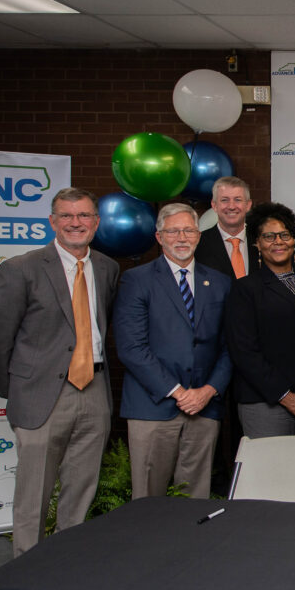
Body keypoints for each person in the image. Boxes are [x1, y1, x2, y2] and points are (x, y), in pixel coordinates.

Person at [0, 188, 118, 557]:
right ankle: (26, 564)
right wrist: (16, 389)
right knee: (33, 492)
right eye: (67, 216)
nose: (76, 223)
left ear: (96, 222)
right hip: (41, 395)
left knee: (82, 485)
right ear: (52, 221)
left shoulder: (106, 268)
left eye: (84, 216)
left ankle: (67, 561)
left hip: (94, 390)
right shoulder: (20, 268)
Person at [114, 203, 233, 500]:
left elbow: (230, 346)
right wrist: (179, 392)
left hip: (204, 407)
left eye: (189, 230)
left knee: (196, 497)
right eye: (173, 231)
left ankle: (192, 548)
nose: (182, 237)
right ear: (159, 237)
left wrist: (208, 390)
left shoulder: (220, 282)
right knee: (149, 500)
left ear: (198, 235)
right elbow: (131, 347)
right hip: (152, 407)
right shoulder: (136, 279)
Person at [223, 202, 295, 439]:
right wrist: (285, 396)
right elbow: (244, 351)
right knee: (272, 474)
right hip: (266, 402)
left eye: (284, 235)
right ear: (257, 243)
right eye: (269, 236)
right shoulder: (245, 289)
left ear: (294, 240)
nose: (278, 242)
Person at [195, 176, 258, 279]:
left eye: (238, 200)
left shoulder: (262, 241)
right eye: (224, 200)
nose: (231, 206)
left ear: (248, 205)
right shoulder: (198, 244)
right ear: (214, 205)